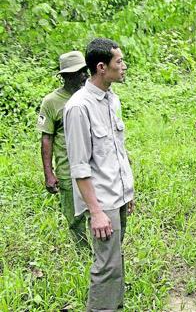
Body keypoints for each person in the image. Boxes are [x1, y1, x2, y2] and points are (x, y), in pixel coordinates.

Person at [64, 38, 135, 311]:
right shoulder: (79, 107)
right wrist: (96, 212)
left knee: (115, 261)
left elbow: (116, 151)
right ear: (101, 67)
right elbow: (80, 167)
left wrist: (127, 191)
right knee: (106, 266)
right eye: (120, 62)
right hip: (102, 202)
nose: (124, 66)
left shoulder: (111, 99)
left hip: (117, 196)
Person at [38, 51, 90, 250]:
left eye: (84, 71)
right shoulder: (51, 102)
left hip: (92, 165)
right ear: (66, 76)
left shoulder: (91, 95)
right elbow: (46, 138)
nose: (83, 76)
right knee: (75, 217)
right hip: (68, 170)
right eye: (78, 73)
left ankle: (101, 257)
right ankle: (84, 254)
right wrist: (48, 173)